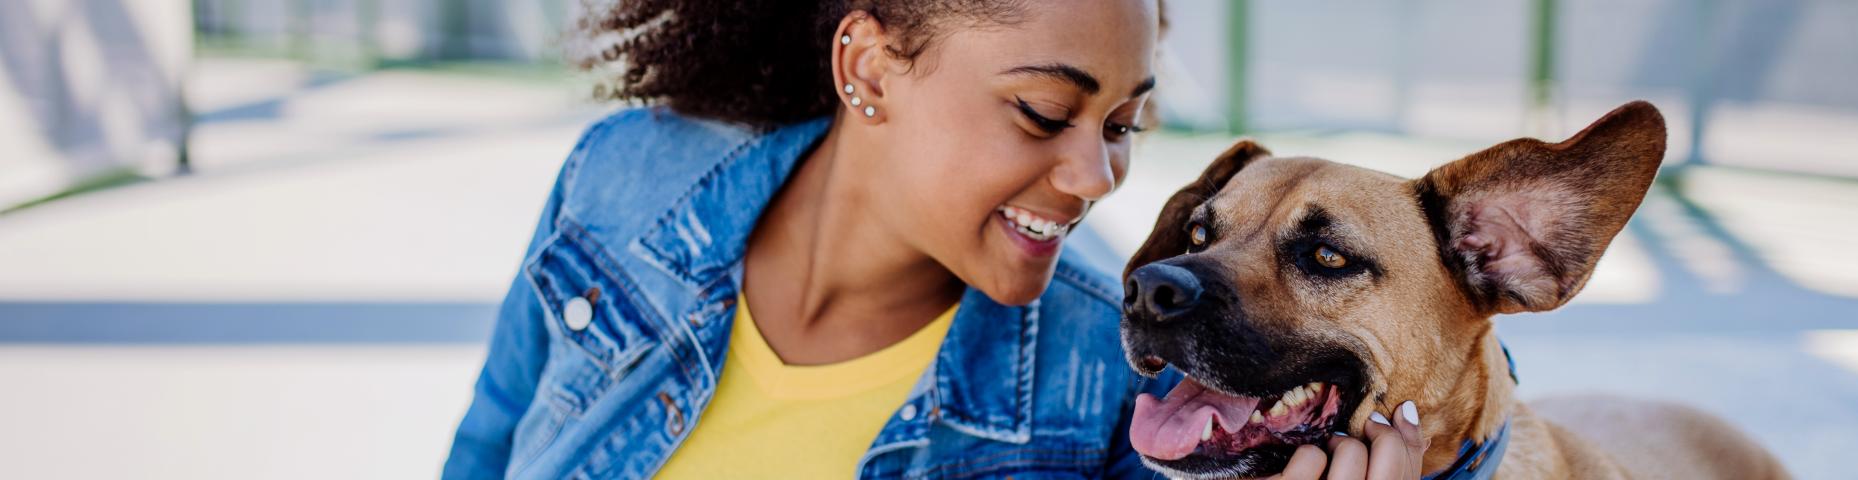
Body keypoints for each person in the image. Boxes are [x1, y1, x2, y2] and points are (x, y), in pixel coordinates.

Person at [442, 1, 1423, 478]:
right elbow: (489, 443)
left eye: (1122, 124)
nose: (1098, 177)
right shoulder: (625, 179)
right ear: (869, 67)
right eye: (1044, 113)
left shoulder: (1116, 379)